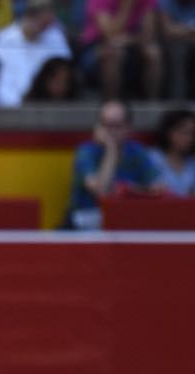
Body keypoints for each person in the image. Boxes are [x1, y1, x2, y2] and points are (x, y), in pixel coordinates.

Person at [64, 99, 158, 229]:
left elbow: (157, 188)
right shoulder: (86, 152)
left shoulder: (137, 152)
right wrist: (111, 149)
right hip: (84, 224)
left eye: (116, 126)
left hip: (127, 221)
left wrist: (129, 191)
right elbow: (101, 191)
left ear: (128, 128)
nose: (110, 131)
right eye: (105, 125)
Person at [0, 0, 70, 106]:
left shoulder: (56, 38)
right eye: (35, 15)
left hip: (44, 106)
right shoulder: (4, 38)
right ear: (27, 15)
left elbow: (63, 75)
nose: (39, 21)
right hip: (5, 106)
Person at [79, 0, 162, 99]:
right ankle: (113, 107)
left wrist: (128, 40)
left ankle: (151, 105)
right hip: (95, 46)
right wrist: (126, 6)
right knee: (112, 54)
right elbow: (110, 35)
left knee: (153, 53)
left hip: (131, 45)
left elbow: (148, 36)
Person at [147, 106, 195, 196]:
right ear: (169, 133)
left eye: (192, 133)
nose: (190, 138)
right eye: (185, 132)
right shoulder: (151, 158)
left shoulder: (193, 162)